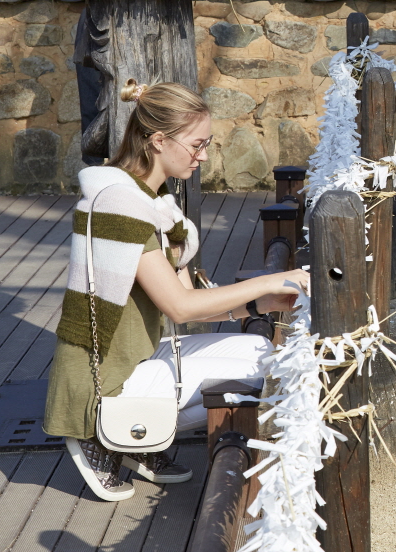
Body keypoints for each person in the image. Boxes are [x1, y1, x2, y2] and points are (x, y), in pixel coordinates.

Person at [44, 80, 309, 501]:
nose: (203, 156)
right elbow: (181, 307)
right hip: (106, 380)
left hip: (140, 357)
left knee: (267, 354)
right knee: (264, 371)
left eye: (207, 144)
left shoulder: (155, 201)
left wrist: (259, 303)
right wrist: (272, 280)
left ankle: (141, 437)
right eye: (196, 145)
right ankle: (99, 430)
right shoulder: (118, 203)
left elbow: (191, 305)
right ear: (158, 140)